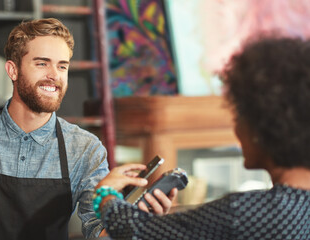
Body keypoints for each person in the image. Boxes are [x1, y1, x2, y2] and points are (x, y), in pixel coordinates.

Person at [0, 18, 176, 240]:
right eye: (42, 63)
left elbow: (96, 232)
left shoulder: (85, 149)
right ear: (13, 70)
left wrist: (134, 222)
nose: (54, 75)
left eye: (62, 66)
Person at [94, 36, 310, 239]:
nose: (236, 129)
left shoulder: (246, 213)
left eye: (240, 116)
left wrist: (106, 195)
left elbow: (133, 229)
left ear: (262, 128)